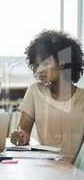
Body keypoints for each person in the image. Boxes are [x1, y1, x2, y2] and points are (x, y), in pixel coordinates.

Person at [10, 30, 84, 162]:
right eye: (37, 65)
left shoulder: (82, 98)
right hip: (45, 168)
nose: (39, 70)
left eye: (45, 63)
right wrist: (20, 137)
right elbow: (23, 132)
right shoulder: (35, 91)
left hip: (74, 172)